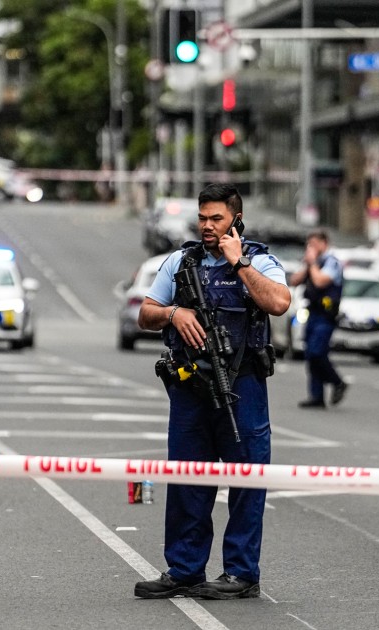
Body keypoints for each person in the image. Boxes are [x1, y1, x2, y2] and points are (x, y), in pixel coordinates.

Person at [134, 183, 291, 600]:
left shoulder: (260, 260)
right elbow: (145, 313)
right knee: (186, 479)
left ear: (236, 220)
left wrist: (238, 264)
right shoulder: (180, 261)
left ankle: (241, 574)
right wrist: (173, 313)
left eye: (216, 218)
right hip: (190, 387)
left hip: (242, 386)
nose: (207, 225)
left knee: (247, 480)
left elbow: (279, 302)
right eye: (202, 217)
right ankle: (184, 569)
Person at [288, 230, 348, 408]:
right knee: (310, 355)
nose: (311, 248)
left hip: (326, 315)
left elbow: (321, 281)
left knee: (317, 352)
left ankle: (337, 382)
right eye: (309, 245)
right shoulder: (313, 263)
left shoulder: (331, 262)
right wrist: (308, 265)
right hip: (312, 313)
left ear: (324, 243)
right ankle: (317, 396)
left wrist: (312, 263)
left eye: (314, 244)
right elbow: (294, 280)